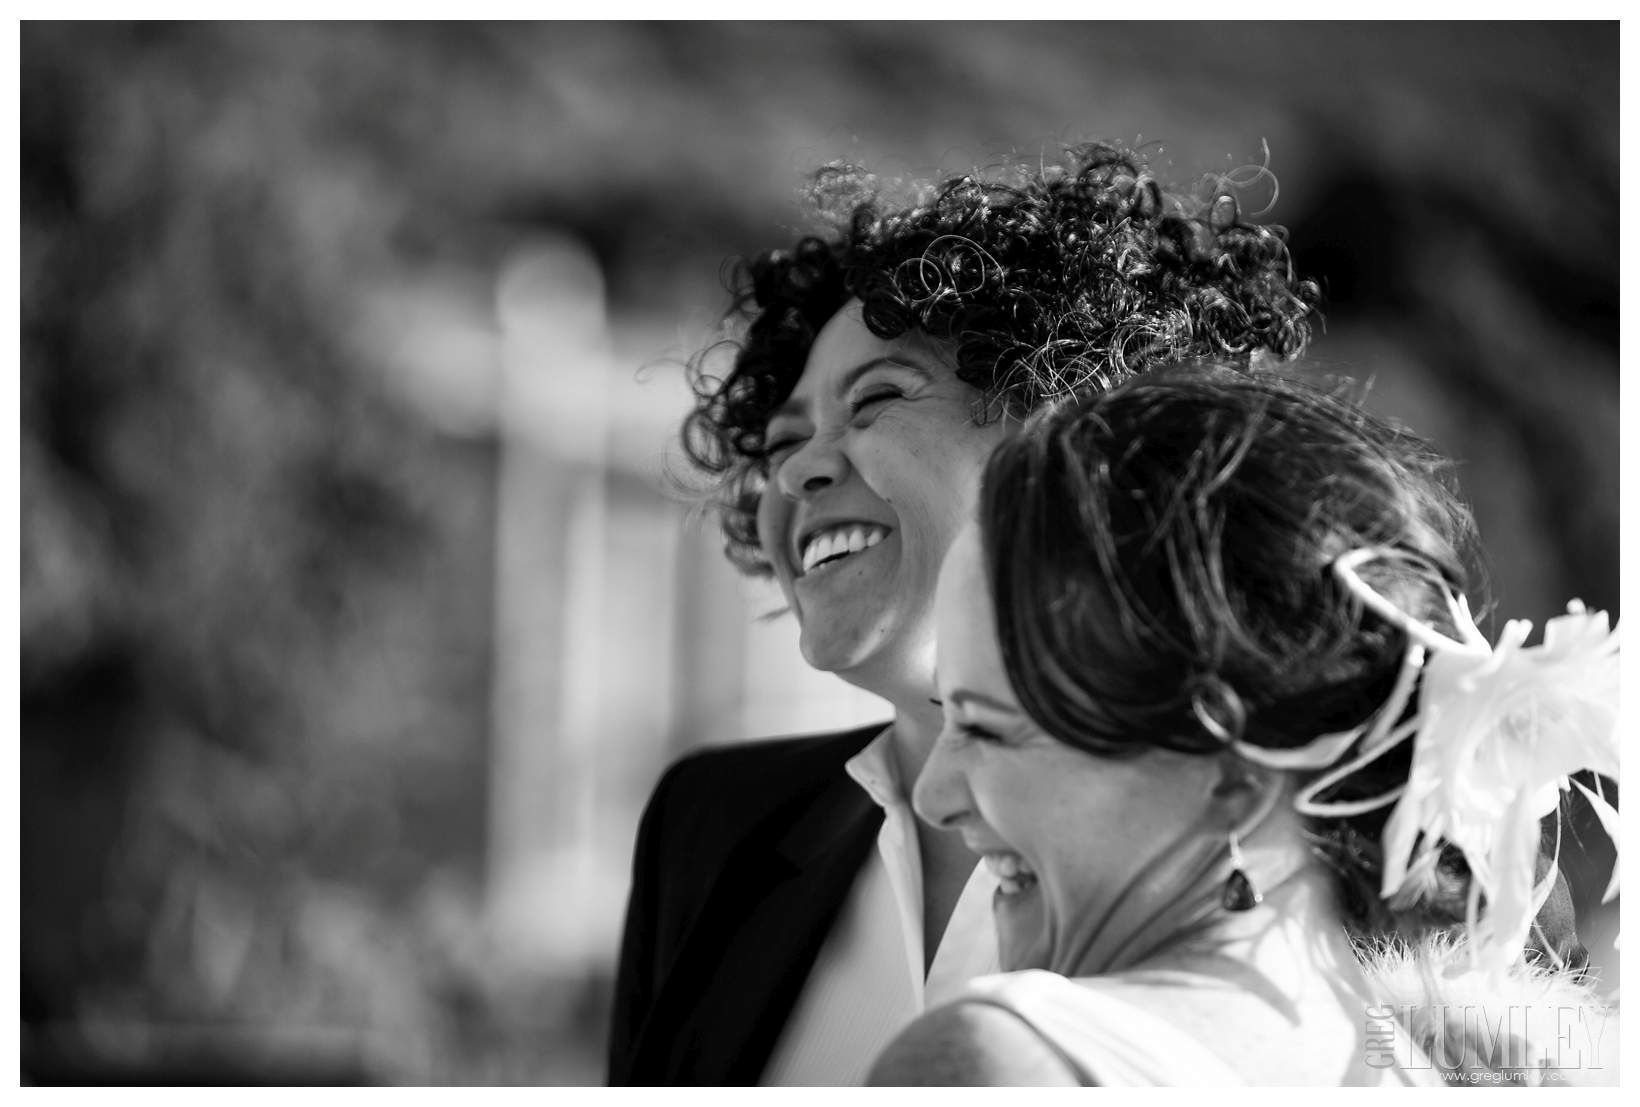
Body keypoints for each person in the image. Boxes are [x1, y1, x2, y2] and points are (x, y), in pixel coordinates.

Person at [605, 143, 1324, 1085]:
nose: (796, 471)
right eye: (782, 441)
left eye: (876, 401)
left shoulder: (1302, 838)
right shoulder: (711, 825)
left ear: (1072, 424)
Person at [872, 368, 1618, 1085]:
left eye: (986, 728)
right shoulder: (1418, 1070)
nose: (934, 794)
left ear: (1233, 775)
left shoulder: (1003, 1061)